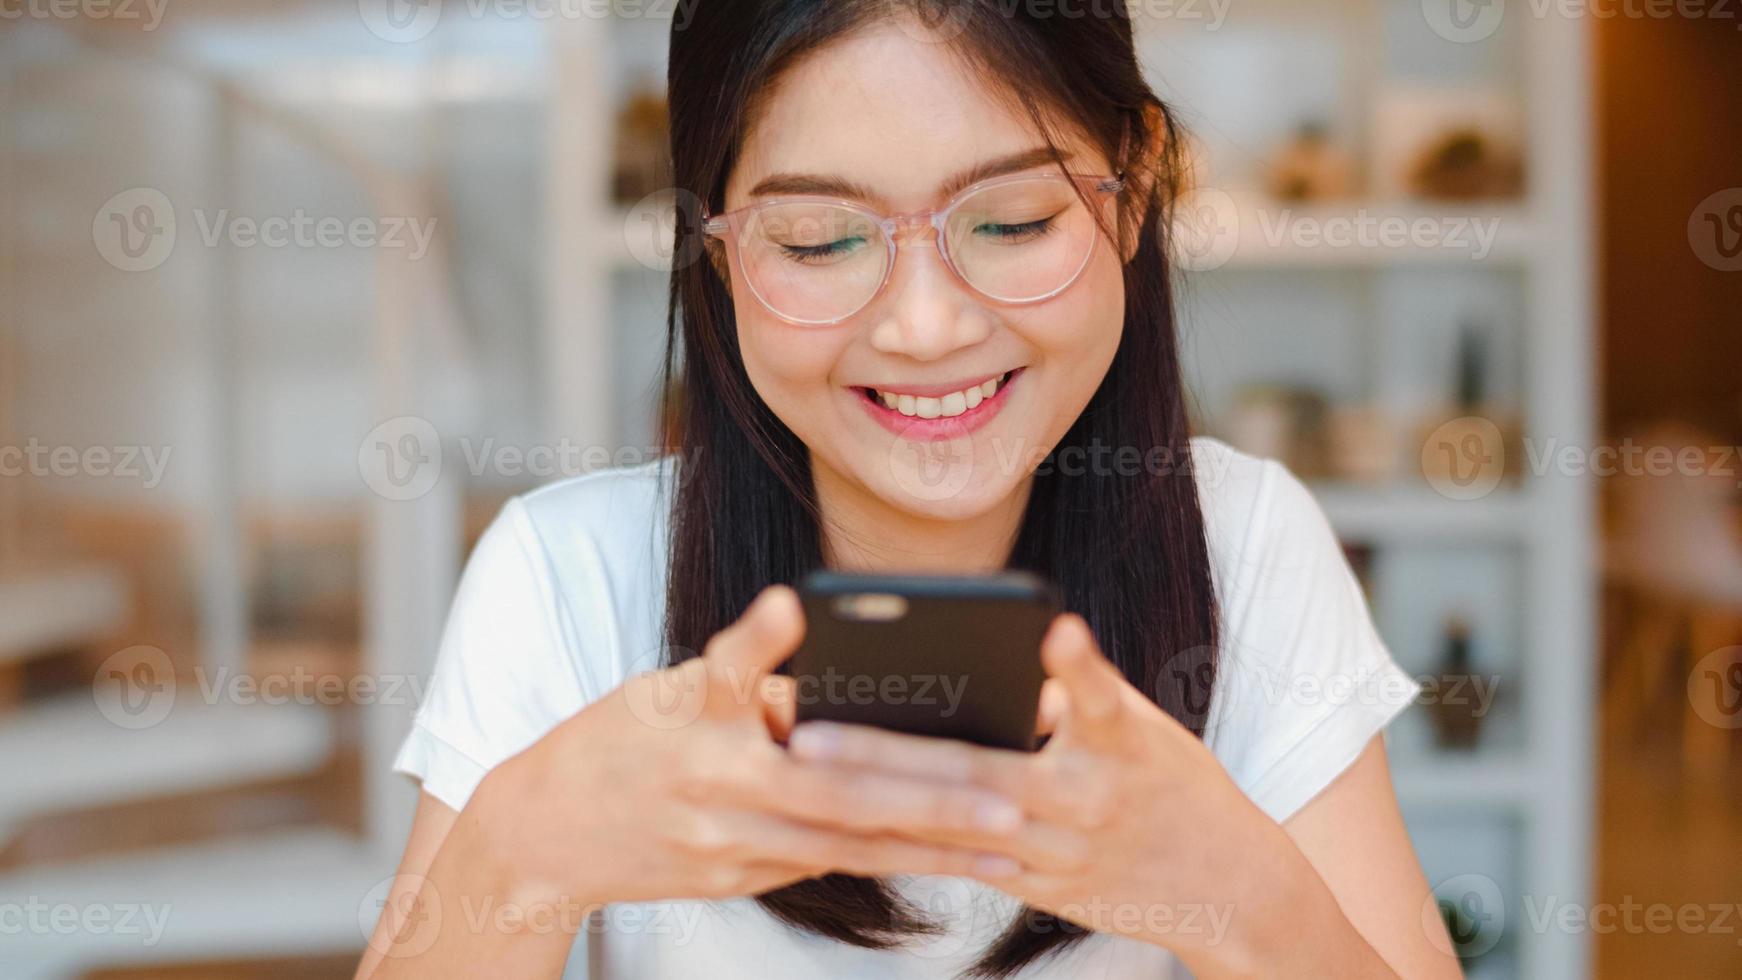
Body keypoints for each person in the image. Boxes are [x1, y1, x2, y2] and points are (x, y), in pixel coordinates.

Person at [358, 2, 1459, 976]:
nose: (924, 324)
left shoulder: (1247, 544)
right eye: (819, 238)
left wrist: (1237, 892)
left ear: (1133, 189)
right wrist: (519, 853)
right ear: (715, 251)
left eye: (1013, 220)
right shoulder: (565, 580)